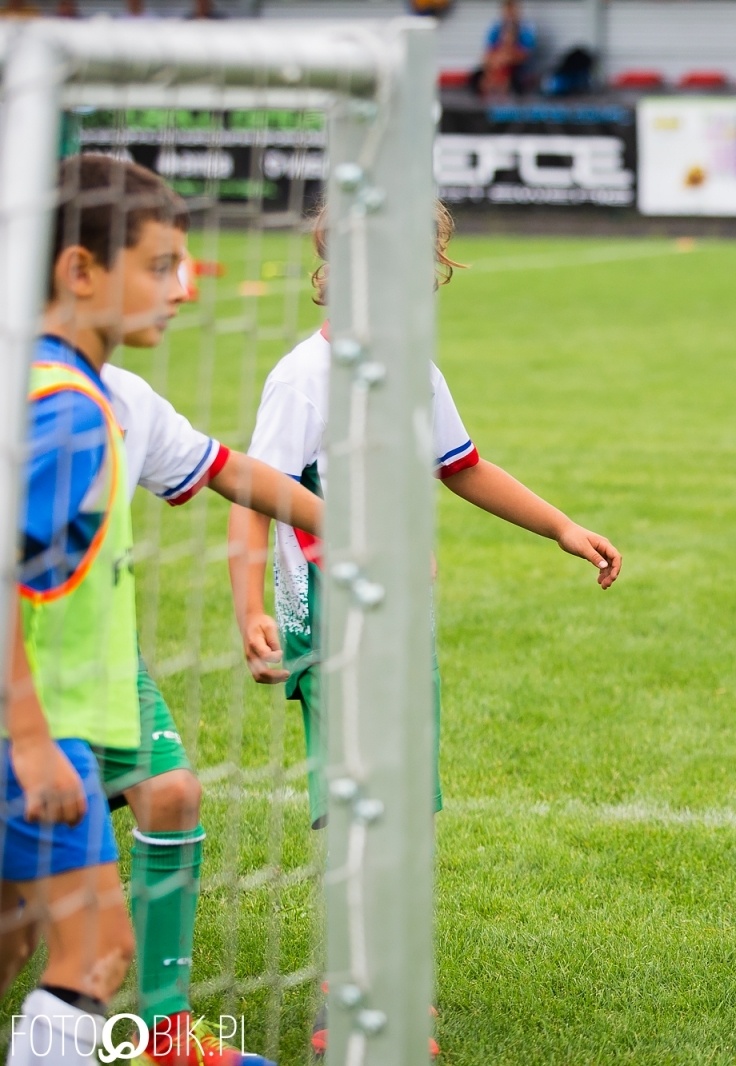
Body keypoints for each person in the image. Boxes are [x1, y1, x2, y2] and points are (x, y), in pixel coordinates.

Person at [227, 198, 621, 1054]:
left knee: (405, 803)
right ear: (336, 278)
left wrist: (560, 525)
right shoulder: (304, 378)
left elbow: (462, 466)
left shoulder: (416, 371)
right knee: (358, 804)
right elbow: (253, 487)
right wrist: (252, 603)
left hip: (403, 616)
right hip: (329, 616)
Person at [0, 157, 320, 1066]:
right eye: (159, 265)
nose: (183, 289)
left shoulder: (97, 392)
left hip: (66, 712)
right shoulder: (62, 414)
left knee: (19, 942)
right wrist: (28, 740)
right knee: (95, 953)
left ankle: (164, 1035)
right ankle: (162, 1036)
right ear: (80, 272)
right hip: (37, 723)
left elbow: (225, 469)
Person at [469, 0, 537, 98]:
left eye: (512, 11)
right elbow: (487, 53)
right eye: (507, 12)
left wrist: (507, 57)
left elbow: (524, 56)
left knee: (514, 78)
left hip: (515, 66)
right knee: (477, 77)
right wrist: (495, 62)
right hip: (497, 63)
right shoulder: (496, 28)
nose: (509, 15)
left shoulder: (526, 30)